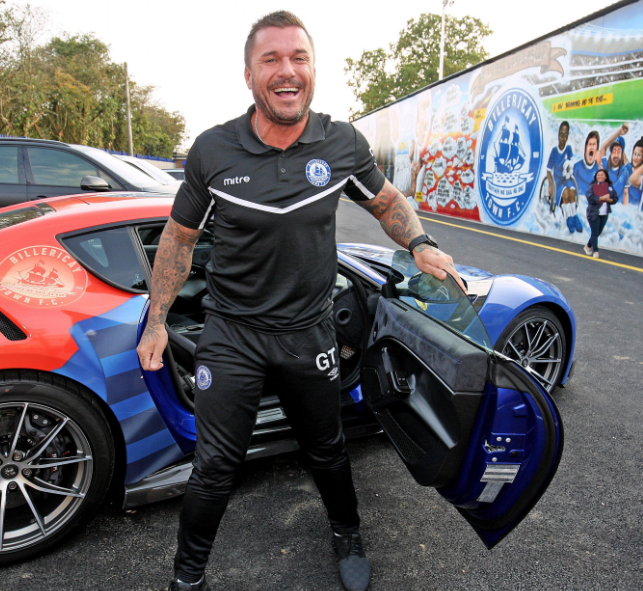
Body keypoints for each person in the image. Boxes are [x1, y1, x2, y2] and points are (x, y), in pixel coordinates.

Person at [135, 11, 461, 591]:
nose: (287, 71)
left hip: (308, 334)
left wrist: (421, 243)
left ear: (312, 69)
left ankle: (346, 534)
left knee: (327, 449)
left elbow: (385, 202)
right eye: (271, 60)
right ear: (248, 75)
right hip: (231, 335)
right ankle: (187, 579)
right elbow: (178, 242)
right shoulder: (212, 151)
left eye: (299, 59)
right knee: (214, 466)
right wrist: (157, 319)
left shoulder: (341, 143)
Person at [545, 121, 577, 231]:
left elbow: (572, 160)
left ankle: (573, 216)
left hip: (566, 178)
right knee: (566, 192)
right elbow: (548, 170)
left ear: (568, 136)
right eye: (561, 134)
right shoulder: (554, 151)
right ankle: (568, 218)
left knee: (572, 191)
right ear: (558, 135)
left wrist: (570, 164)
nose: (563, 137)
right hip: (557, 181)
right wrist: (550, 185)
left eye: (565, 135)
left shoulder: (568, 149)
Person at [584, 169, 618, 258]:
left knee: (598, 232)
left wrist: (609, 200)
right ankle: (595, 251)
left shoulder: (610, 187)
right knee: (595, 232)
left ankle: (588, 246)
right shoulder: (592, 186)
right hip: (593, 213)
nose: (600, 176)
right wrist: (601, 198)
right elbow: (590, 198)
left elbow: (615, 199)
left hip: (604, 214)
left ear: (606, 176)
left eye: (602, 175)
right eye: (598, 175)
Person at [624, 136, 643, 212]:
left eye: (639, 155)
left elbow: (633, 179)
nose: (635, 157)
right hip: (627, 212)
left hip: (641, 214)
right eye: (634, 154)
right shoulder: (629, 168)